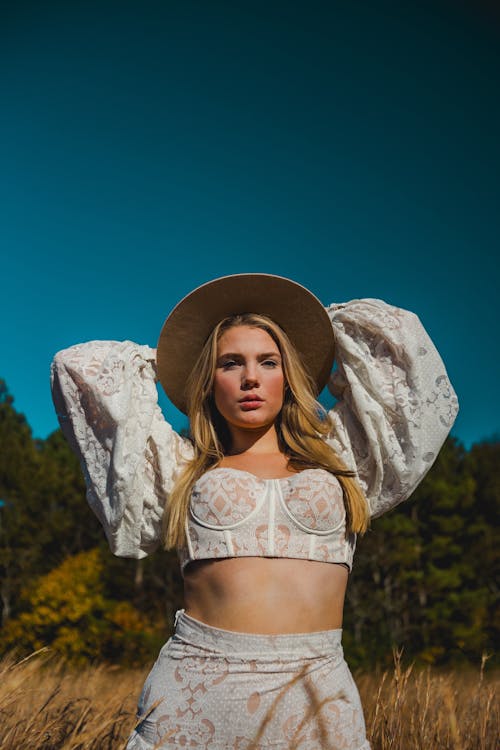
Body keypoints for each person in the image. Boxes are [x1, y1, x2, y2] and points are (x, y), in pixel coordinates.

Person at [50, 273, 458, 750]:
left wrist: (323, 328)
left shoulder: (342, 456)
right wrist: (168, 360)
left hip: (316, 683)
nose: (250, 378)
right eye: (230, 363)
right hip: (196, 683)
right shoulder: (183, 467)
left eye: (268, 361)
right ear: (208, 380)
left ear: (290, 375)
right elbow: (77, 366)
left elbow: (403, 350)